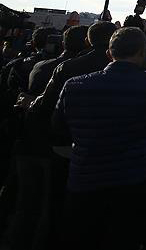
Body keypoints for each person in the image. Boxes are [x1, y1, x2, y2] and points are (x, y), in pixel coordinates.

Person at [52, 27, 146, 250]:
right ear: (143, 54)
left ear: (108, 54)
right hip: (134, 186)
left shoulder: (74, 85)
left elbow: (58, 129)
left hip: (83, 183)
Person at [7, 25, 88, 249]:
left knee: (25, 206)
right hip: (55, 148)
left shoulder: (36, 66)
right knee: (49, 209)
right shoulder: (76, 72)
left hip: (27, 143)